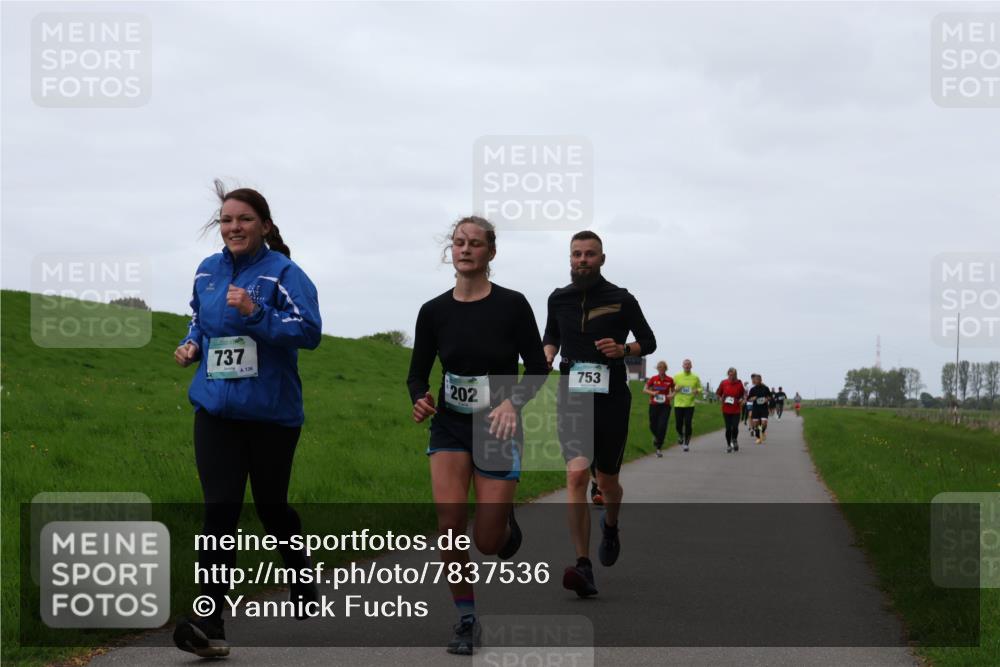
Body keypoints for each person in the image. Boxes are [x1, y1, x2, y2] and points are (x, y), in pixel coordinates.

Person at [173, 180, 322, 658]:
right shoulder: (207, 271)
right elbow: (200, 317)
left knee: (272, 507)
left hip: (271, 414)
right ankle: (209, 620)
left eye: (243, 219)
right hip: (215, 409)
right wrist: (193, 343)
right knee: (220, 509)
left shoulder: (284, 273)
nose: (234, 227)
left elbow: (309, 331)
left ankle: (299, 571)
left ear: (264, 225)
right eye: (226, 220)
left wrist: (256, 311)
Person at [407, 216, 549, 655]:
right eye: (458, 242)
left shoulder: (512, 305)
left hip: (497, 426)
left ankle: (503, 528)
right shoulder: (433, 311)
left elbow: (539, 368)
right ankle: (466, 619)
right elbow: (417, 374)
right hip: (450, 425)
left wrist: (513, 402)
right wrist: (420, 398)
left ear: (490, 252)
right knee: (449, 527)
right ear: (451, 251)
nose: (465, 249)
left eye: (474, 243)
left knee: (487, 543)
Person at [542, 231, 656, 598]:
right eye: (576, 254)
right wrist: (546, 354)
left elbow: (649, 341)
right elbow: (551, 337)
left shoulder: (621, 299)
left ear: (602, 259)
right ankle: (583, 564)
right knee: (576, 474)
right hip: (572, 394)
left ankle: (611, 524)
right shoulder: (558, 298)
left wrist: (623, 349)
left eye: (590, 254)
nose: (582, 260)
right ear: (569, 259)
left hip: (611, 398)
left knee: (607, 482)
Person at [643, 361, 675, 457]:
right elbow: (644, 389)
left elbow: (674, 391)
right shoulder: (653, 379)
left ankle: (658, 448)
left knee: (662, 426)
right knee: (652, 425)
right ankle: (657, 437)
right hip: (654, 405)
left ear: (665, 369)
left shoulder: (670, 380)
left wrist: (671, 395)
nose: (661, 369)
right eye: (659, 368)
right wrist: (652, 393)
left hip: (665, 406)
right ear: (657, 369)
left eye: (663, 368)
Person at [672, 359, 702, 452]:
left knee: (688, 423)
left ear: (691, 366)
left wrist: (697, 391)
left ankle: (686, 444)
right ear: (682, 366)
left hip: (690, 404)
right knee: (678, 424)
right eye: (685, 364)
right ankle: (680, 435)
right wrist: (675, 388)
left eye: (689, 365)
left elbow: (700, 388)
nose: (687, 366)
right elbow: (671, 387)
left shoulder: (695, 377)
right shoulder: (677, 376)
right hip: (678, 404)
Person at [715, 367, 746, 453]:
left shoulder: (739, 383)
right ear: (728, 374)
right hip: (726, 409)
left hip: (736, 409)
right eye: (730, 375)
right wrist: (720, 398)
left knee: (735, 427)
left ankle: (734, 439)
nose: (732, 377)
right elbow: (718, 394)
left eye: (733, 375)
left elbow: (743, 395)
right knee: (728, 428)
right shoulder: (724, 383)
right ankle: (728, 445)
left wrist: (742, 400)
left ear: (736, 375)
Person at [747, 374, 774, 444]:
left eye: (759, 379)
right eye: (756, 380)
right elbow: (748, 399)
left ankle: (763, 431)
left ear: (761, 380)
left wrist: (767, 399)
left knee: (764, 423)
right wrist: (752, 398)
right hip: (756, 408)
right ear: (754, 381)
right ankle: (758, 438)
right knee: (756, 424)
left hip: (764, 408)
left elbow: (770, 397)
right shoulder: (752, 389)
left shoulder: (765, 388)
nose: (757, 381)